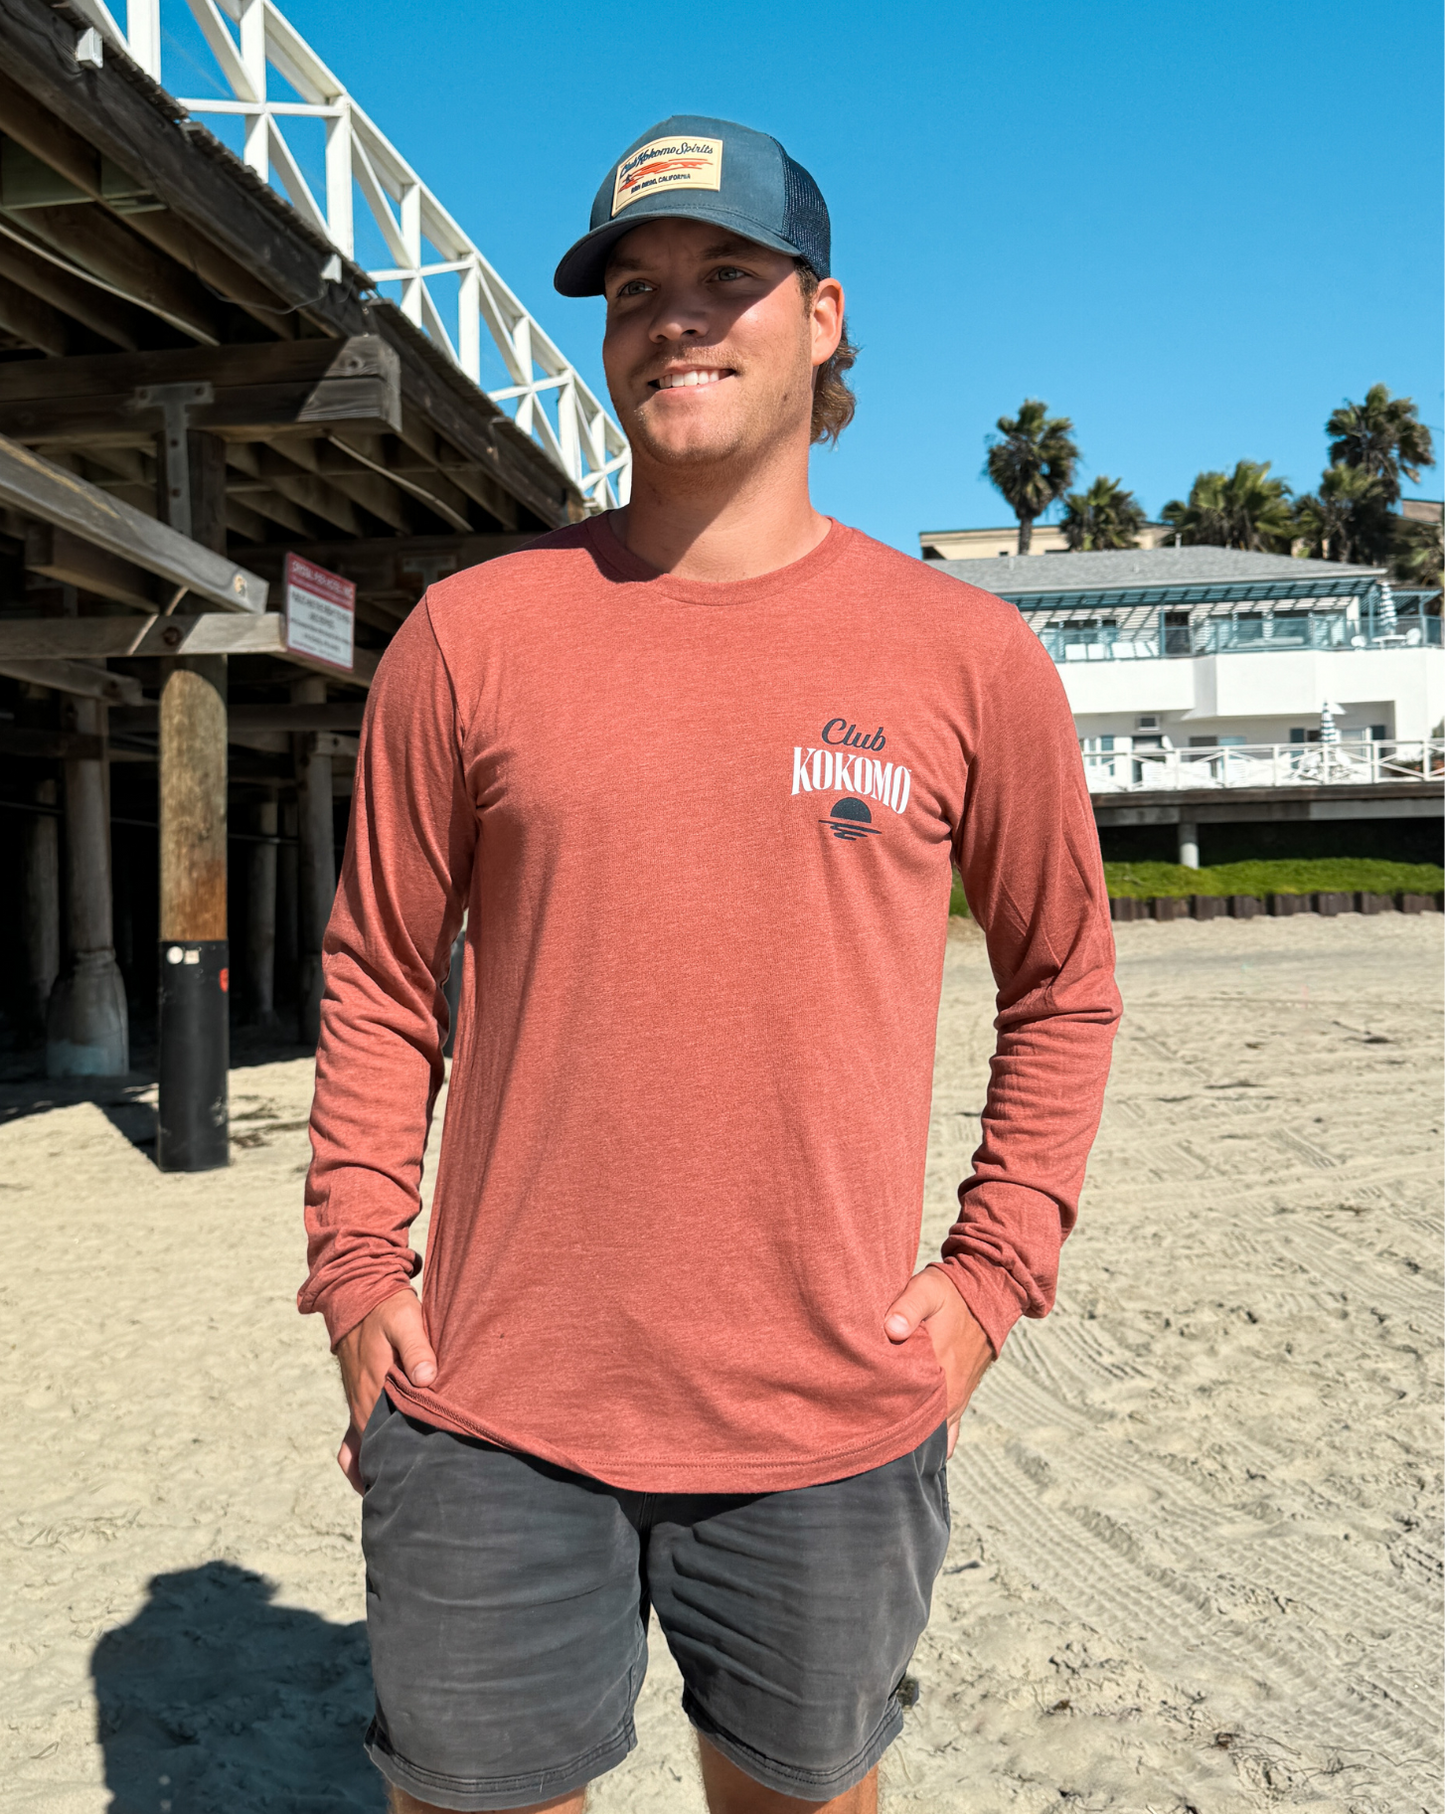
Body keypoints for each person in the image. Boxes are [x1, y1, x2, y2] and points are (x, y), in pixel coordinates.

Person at [299, 114, 1120, 1814]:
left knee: (801, 1797)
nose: (676, 317)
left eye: (726, 278)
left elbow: (1064, 986)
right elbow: (381, 979)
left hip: (828, 1411)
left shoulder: (968, 654)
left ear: (821, 319)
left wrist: (988, 1282)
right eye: (637, 288)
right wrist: (359, 1272)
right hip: (489, 1402)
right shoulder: (472, 633)